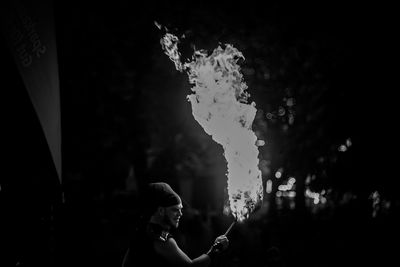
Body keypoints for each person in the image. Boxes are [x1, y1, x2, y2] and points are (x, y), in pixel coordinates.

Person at [122, 182, 229, 267]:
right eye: (175, 210)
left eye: (181, 209)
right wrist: (216, 248)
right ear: (160, 210)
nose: (180, 214)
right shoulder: (161, 240)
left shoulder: (143, 228)